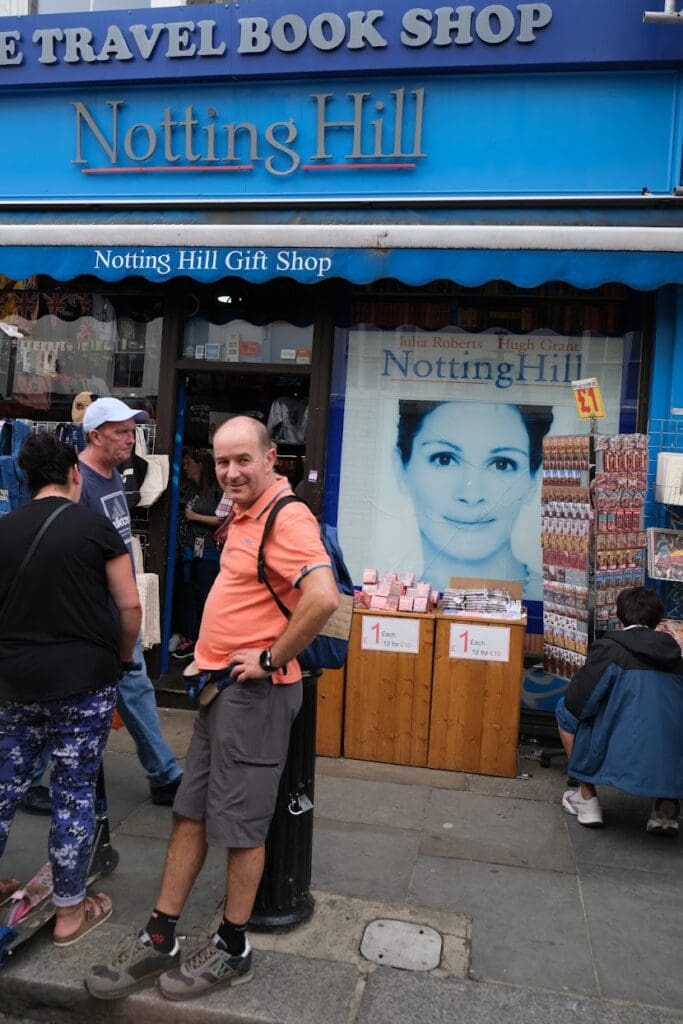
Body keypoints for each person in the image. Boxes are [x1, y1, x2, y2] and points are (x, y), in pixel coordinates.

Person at [86, 415, 339, 1002]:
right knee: (190, 813)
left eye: (243, 459)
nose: (230, 472)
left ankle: (232, 946)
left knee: (243, 827)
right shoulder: (242, 514)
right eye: (222, 461)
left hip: (256, 698)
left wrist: (272, 658)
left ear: (271, 457)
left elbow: (323, 596)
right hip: (222, 692)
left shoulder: (287, 516)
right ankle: (160, 935)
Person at [0, 433, 141, 944]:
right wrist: (124, 658)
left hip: (13, 684)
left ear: (26, 480)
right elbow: (129, 607)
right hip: (82, 684)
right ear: (74, 475)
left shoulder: (5, 530)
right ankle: (68, 912)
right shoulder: (96, 529)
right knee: (73, 791)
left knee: (3, 787)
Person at [79, 397, 183, 806]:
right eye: (121, 431)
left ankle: (164, 775)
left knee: (130, 688)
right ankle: (164, 775)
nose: (130, 439)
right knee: (84, 696)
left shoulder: (113, 476)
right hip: (95, 616)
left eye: (132, 430)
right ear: (95, 435)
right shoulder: (79, 482)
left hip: (119, 611)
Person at [555, 586, 683, 834]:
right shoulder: (675, 656)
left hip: (620, 741)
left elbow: (578, 702)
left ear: (619, 615)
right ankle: (664, 809)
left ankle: (587, 797)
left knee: (564, 711)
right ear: (658, 620)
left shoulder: (611, 649)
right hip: (670, 745)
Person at [395, 400, 553, 593]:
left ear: (534, 480)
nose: (472, 495)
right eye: (444, 460)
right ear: (400, 469)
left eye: (501, 464)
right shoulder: (397, 597)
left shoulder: (550, 601)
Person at [171, 448, 222, 662]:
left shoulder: (216, 490)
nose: (184, 466)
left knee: (206, 597)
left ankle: (208, 641)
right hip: (189, 551)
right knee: (189, 596)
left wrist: (195, 516)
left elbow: (223, 520)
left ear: (201, 464)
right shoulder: (188, 489)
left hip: (209, 552)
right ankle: (191, 639)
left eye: (188, 462)